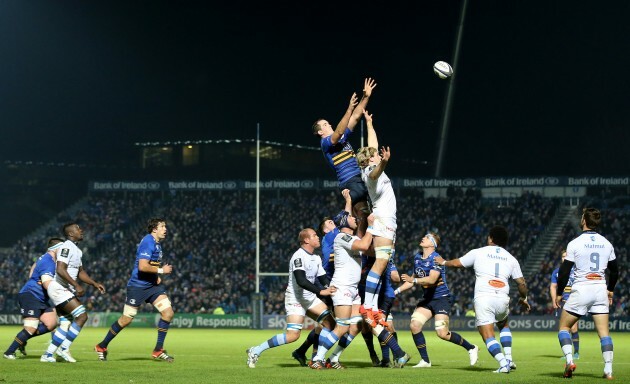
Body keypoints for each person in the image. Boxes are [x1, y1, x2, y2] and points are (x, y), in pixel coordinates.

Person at [435, 226, 530, 374]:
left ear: (491, 238)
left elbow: (457, 263)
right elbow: (521, 283)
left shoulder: (479, 252)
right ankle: (509, 359)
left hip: (484, 297)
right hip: (503, 298)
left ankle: (503, 363)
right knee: (503, 324)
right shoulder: (512, 258)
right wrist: (524, 298)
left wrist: (443, 262)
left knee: (486, 334)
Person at [246, 228, 337, 368]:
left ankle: (318, 358)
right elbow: (301, 280)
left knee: (330, 324)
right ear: (306, 240)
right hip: (296, 299)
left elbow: (322, 277)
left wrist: (329, 287)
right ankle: (256, 350)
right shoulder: (298, 257)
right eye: (314, 235)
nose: (318, 237)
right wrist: (321, 292)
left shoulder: (316, 257)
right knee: (292, 336)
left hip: (309, 298)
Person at [95, 218, 176, 362]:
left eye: (165, 226)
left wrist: (156, 276)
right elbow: (142, 267)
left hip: (151, 286)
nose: (165, 229)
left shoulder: (157, 245)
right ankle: (102, 345)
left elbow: (150, 265)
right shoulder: (148, 242)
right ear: (154, 229)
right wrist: (161, 271)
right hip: (137, 287)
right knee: (126, 319)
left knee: (168, 313)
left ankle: (158, 349)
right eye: (162, 226)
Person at [396, 232, 478, 368]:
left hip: (441, 298)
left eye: (427, 237)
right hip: (427, 299)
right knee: (414, 325)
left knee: (442, 333)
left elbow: (432, 279)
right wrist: (396, 291)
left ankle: (471, 348)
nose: (423, 237)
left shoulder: (436, 258)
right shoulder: (417, 258)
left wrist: (414, 280)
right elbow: (411, 281)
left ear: (433, 244)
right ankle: (425, 361)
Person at [555, 208, 618, 379]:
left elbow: (564, 271)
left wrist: (559, 293)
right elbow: (615, 271)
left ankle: (569, 361)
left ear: (583, 220)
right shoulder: (607, 243)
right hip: (599, 290)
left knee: (564, 327)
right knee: (604, 333)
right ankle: (608, 370)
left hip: (582, 289)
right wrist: (610, 290)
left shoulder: (575, 243)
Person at [313, 78, 377, 236]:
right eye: (326, 124)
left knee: (369, 207)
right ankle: (341, 227)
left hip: (359, 176)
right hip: (350, 181)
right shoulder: (326, 143)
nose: (329, 124)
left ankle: (359, 235)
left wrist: (366, 97)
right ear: (320, 132)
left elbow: (355, 117)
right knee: (363, 207)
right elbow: (339, 132)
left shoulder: (341, 138)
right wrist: (349, 108)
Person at [42, 223, 106, 363]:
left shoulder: (77, 250)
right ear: (71, 234)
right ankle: (64, 348)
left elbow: (81, 272)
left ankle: (47, 355)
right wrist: (76, 285)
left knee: (65, 323)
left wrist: (94, 283)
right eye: (78, 229)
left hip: (64, 289)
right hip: (59, 287)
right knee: (82, 316)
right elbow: (60, 269)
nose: (81, 230)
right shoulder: (66, 247)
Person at [355, 111, 396, 326]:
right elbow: (375, 173)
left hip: (384, 219)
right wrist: (385, 163)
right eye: (376, 155)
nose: (378, 154)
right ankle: (369, 306)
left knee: (381, 262)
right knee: (380, 263)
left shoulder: (369, 165)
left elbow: (373, 145)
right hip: (384, 219)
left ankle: (370, 306)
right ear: (371, 159)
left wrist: (370, 123)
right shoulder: (372, 170)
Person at [3, 238, 65, 360]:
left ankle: (22, 339)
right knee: (31, 327)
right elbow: (46, 282)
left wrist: (34, 278)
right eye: (62, 249)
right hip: (31, 295)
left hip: (40, 297)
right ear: (56, 249)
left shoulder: (45, 258)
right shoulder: (49, 262)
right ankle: (9, 352)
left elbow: (34, 268)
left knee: (51, 324)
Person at [549, 250, 579, 359]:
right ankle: (568, 353)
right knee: (564, 328)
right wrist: (554, 300)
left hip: (574, 301)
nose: (565, 258)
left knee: (574, 327)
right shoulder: (557, 272)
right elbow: (553, 286)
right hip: (562, 303)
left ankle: (576, 352)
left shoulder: (577, 271)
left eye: (567, 256)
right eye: (563, 256)